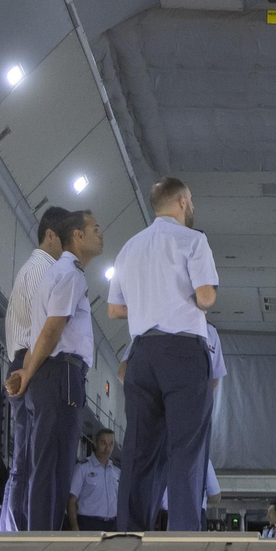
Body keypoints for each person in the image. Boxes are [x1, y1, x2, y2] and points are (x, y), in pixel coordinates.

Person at [109, 177, 219, 531]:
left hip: (142, 353)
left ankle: (129, 530)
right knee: (186, 448)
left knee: (139, 450)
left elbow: (114, 309)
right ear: (183, 202)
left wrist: (149, 305)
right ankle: (184, 535)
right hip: (183, 352)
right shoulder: (193, 240)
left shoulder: (130, 247)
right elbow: (205, 297)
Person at [6, 207, 104, 529]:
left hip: (49, 373)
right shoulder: (69, 273)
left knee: (45, 463)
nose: (100, 233)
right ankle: (42, 541)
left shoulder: (55, 272)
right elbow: (52, 328)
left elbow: (41, 332)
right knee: (55, 466)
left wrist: (27, 372)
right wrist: (28, 372)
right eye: (94, 228)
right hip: (60, 373)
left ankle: (39, 537)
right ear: (77, 236)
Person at [0, 205, 69, 531]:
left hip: (24, 362)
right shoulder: (43, 269)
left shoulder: (34, 268)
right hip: (30, 364)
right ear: (50, 235)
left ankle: (15, 529)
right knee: (31, 458)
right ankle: (20, 530)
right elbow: (46, 328)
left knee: (26, 457)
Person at [68, 429, 119, 531]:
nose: (107, 448)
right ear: (95, 443)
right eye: (103, 443)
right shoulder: (83, 468)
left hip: (112, 525)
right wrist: (74, 527)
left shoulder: (117, 471)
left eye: (111, 444)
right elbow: (71, 501)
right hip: (89, 524)